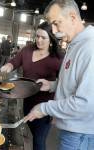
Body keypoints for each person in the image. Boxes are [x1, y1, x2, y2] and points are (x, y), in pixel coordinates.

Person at [25, 0, 94, 150]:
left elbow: (85, 103)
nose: (54, 31)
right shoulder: (74, 45)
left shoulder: (89, 47)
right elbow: (75, 83)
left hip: (80, 134)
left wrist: (44, 108)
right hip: (72, 131)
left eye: (57, 23)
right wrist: (52, 85)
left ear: (73, 17)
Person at [1, 22, 62, 150]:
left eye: (43, 37)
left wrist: (56, 112)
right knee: (33, 134)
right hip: (27, 102)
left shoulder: (57, 58)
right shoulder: (27, 50)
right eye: (37, 36)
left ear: (51, 39)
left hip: (45, 107)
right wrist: (8, 66)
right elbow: (14, 62)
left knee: (39, 141)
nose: (39, 40)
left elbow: (63, 84)